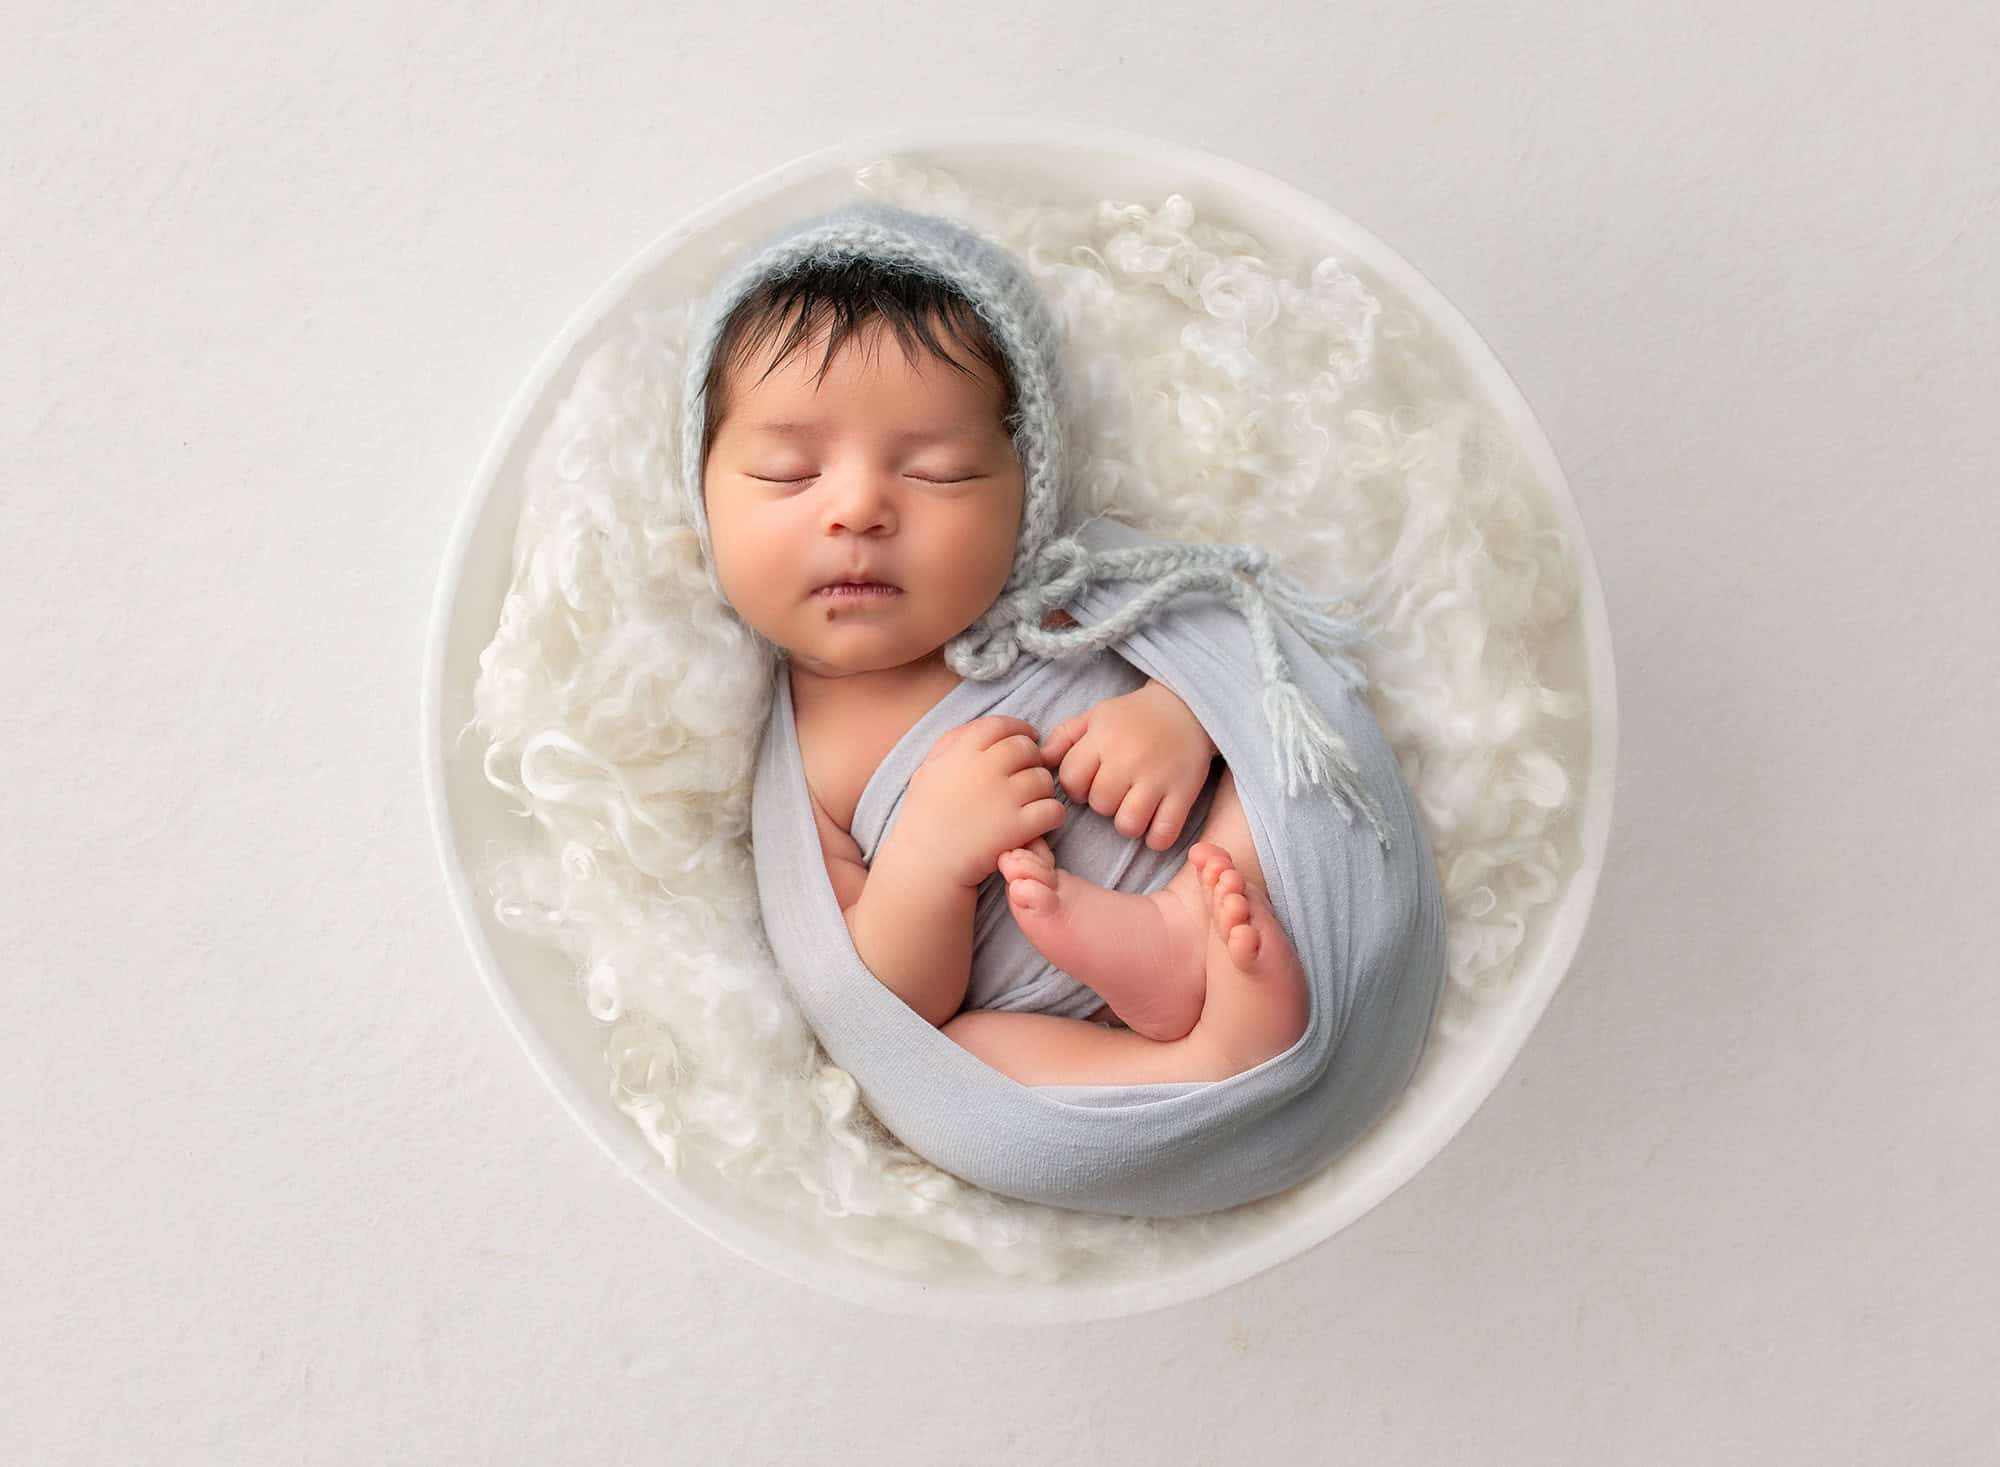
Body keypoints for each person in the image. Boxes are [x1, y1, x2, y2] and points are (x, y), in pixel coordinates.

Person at [679, 203, 1392, 1087]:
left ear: (1027, 486)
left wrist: (1185, 716)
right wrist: (927, 858)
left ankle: (1179, 933)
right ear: (702, 493)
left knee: (1289, 754)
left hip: (1241, 890)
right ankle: (1205, 1061)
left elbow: (1259, 650)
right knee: (965, 1060)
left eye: (938, 471)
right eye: (788, 473)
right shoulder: (805, 763)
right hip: (1070, 1027)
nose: (857, 509)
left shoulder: (1074, 599)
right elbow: (887, 1002)